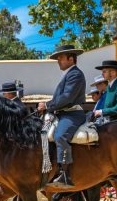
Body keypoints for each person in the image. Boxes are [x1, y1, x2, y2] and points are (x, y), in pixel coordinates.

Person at [37, 44, 86, 189]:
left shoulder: (76, 74)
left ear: (71, 59)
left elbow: (67, 98)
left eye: (61, 58)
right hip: (63, 113)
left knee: (60, 136)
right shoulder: (69, 74)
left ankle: (65, 174)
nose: (58, 61)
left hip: (72, 114)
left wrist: (47, 105)